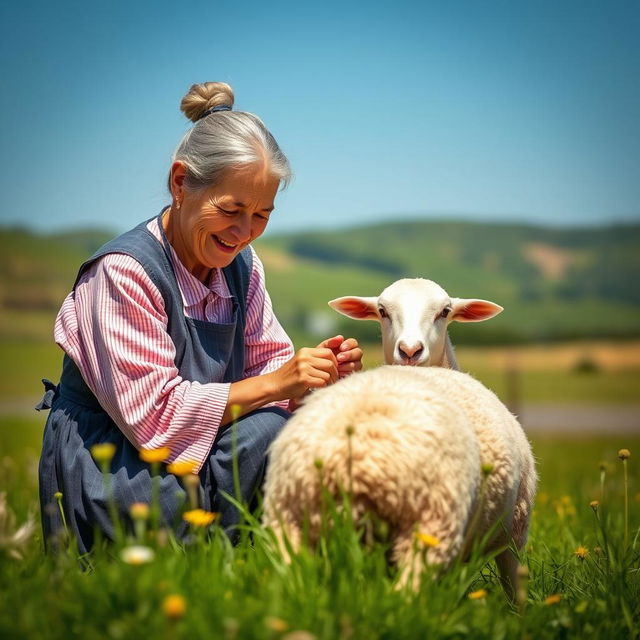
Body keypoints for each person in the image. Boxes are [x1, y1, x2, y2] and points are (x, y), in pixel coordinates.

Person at [38, 82, 363, 553]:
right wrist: (278, 384)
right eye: (230, 209)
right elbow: (155, 420)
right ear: (180, 182)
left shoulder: (243, 271)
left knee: (283, 431)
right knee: (267, 428)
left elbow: (271, 375)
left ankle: (239, 561)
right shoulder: (122, 273)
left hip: (197, 460)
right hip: (117, 468)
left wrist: (314, 379)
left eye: (261, 216)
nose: (243, 232)